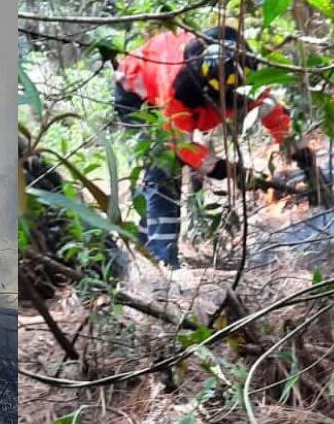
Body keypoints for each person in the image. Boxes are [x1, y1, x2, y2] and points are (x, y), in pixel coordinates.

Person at [113, 26, 316, 267]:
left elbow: (273, 112)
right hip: (138, 98)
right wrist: (224, 169)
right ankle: (162, 260)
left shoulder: (245, 70)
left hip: (178, 97)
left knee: (160, 175)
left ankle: (146, 242)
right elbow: (181, 145)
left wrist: (301, 152)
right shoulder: (177, 86)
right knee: (163, 169)